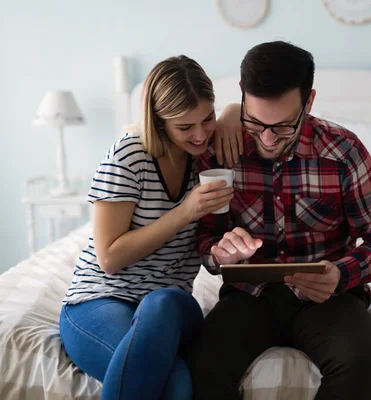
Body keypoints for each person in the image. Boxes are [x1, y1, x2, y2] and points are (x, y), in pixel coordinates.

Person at [184, 41, 371, 400]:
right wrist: (220, 254)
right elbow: (206, 238)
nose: (267, 138)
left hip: (330, 297)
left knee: (357, 361)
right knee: (201, 367)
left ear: (309, 101)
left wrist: (341, 274)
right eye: (255, 123)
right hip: (248, 298)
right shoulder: (219, 152)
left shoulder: (344, 152)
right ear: (241, 96)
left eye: (283, 126)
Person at [59, 55, 241, 400]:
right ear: (158, 122)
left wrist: (232, 112)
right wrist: (185, 211)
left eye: (208, 118)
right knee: (174, 385)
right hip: (99, 299)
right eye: (185, 127)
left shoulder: (208, 154)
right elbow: (109, 258)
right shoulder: (129, 156)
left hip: (170, 309)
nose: (200, 135)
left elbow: (255, 121)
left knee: (162, 301)